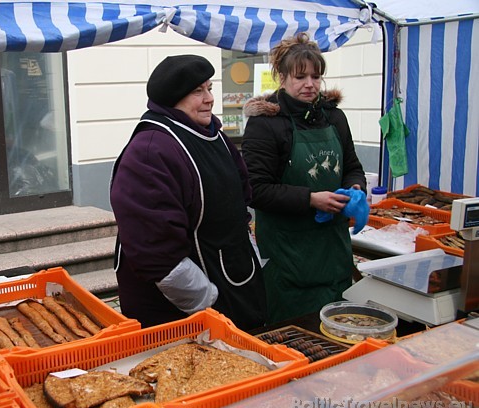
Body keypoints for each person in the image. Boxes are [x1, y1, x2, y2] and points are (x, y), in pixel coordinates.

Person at [110, 54, 266, 331]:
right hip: (178, 311)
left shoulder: (212, 133)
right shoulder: (150, 152)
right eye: (197, 91)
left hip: (228, 284)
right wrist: (211, 304)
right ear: (173, 98)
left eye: (209, 88)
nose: (209, 98)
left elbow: (240, 202)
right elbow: (158, 256)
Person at [242, 32, 366, 324]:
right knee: (298, 336)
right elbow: (255, 190)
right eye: (300, 77)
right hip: (290, 256)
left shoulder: (334, 117)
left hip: (333, 249)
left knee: (339, 331)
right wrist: (311, 199)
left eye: (315, 76)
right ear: (282, 78)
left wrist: (355, 188)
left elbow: (351, 164)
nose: (310, 84)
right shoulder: (266, 124)